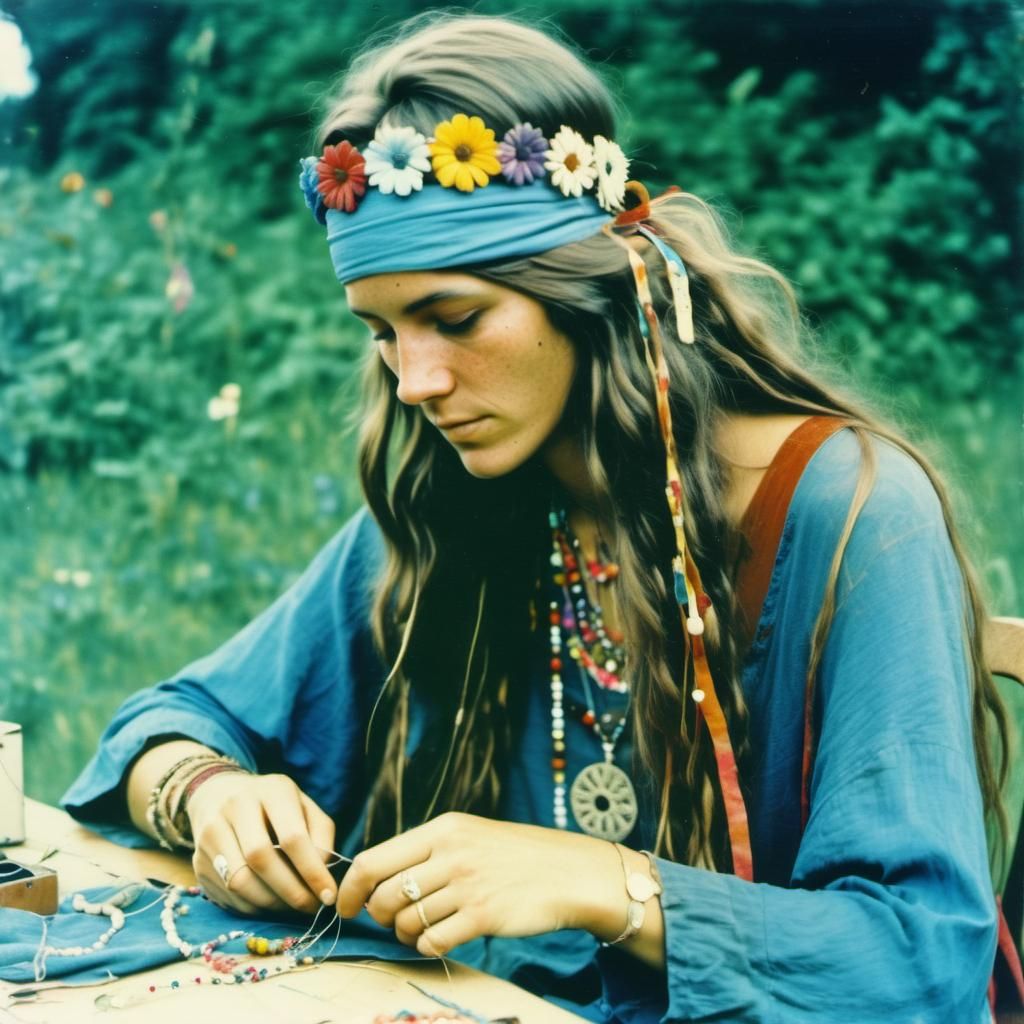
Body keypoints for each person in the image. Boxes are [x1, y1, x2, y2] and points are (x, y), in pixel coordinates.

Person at [62, 11, 1012, 1022]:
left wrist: (604, 880)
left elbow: (919, 963)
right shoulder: (457, 503)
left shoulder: (849, 512)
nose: (416, 381)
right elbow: (171, 722)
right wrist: (209, 795)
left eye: (456, 318)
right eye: (382, 330)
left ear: (589, 285)